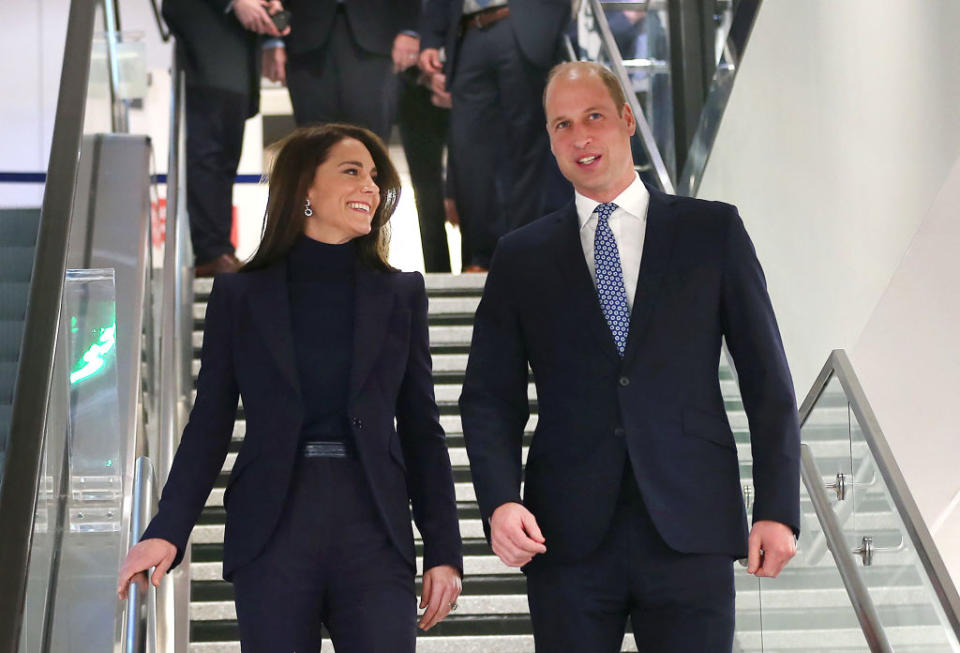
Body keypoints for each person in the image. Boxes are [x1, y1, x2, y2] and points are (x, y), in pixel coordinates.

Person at [459, 62, 800, 652]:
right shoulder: (521, 256)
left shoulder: (711, 231)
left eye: (593, 117)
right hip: (565, 536)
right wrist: (499, 500)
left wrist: (778, 508)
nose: (580, 138)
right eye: (562, 125)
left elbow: (767, 380)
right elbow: (490, 396)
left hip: (690, 526)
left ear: (626, 120)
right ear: (550, 140)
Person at [118, 124, 463, 652]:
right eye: (352, 171)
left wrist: (444, 549)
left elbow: (421, 431)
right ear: (304, 188)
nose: (371, 186)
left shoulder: (401, 293)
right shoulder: (239, 295)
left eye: (375, 176)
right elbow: (210, 423)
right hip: (273, 528)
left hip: (373, 525)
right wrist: (166, 530)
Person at [419, 0, 573, 271]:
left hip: (524, 23)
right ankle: (481, 257)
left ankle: (522, 257)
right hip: (468, 33)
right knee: (467, 151)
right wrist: (431, 36)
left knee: (527, 151)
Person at [162, 0, 288, 277]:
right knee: (209, 152)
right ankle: (211, 253)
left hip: (239, 45)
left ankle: (219, 250)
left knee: (226, 155)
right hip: (206, 35)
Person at [261, 1, 420, 140]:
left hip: (379, 32)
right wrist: (271, 39)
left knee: (370, 140)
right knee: (313, 140)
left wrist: (410, 29)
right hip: (302, 32)